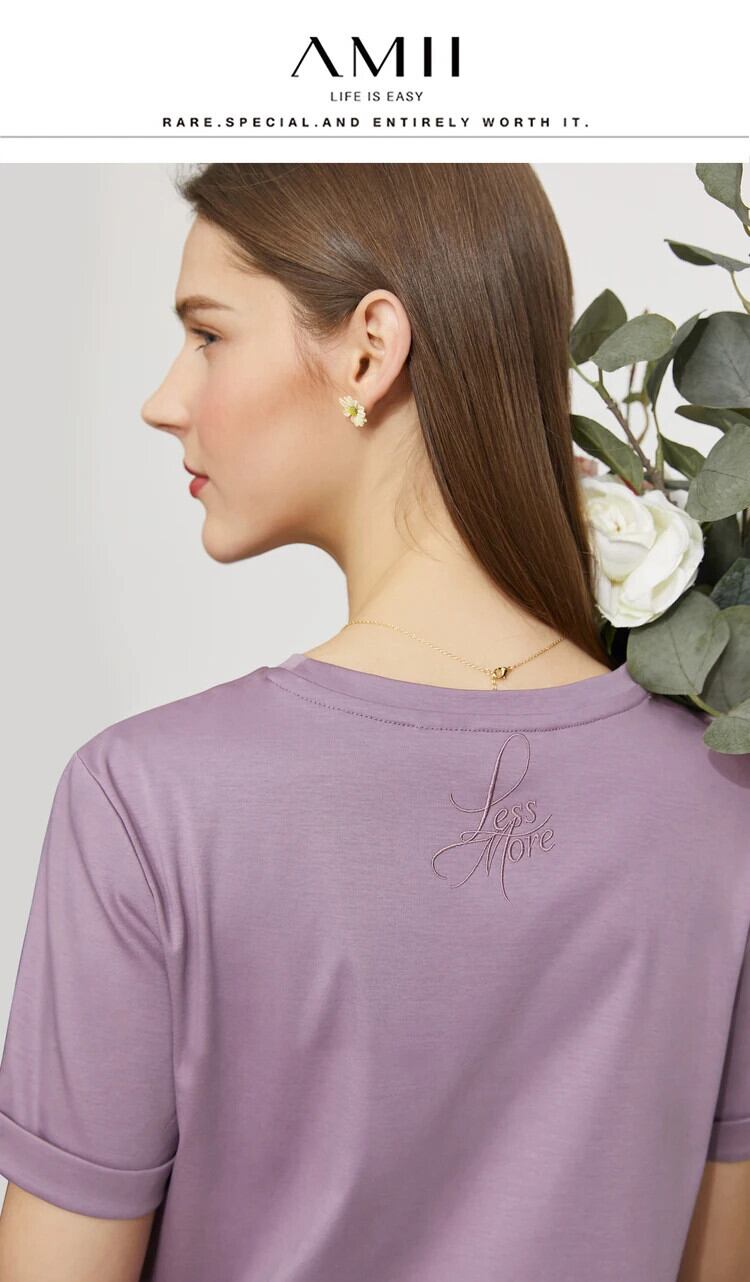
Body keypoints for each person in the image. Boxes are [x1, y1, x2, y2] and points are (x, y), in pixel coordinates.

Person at [0, 162, 748, 1282]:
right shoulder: (722, 801)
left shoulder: (150, 804)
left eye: (208, 335)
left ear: (369, 350)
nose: (166, 398)